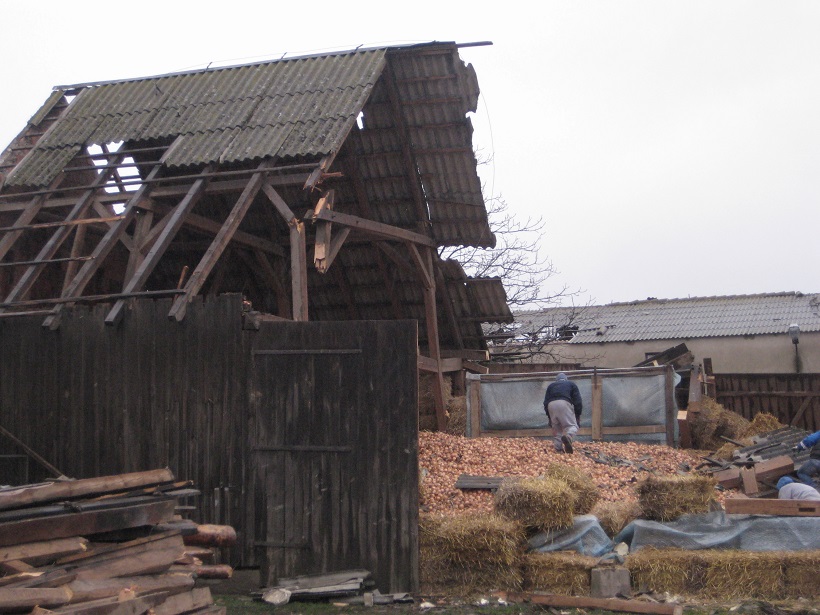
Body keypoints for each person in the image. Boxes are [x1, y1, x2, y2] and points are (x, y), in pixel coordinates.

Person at [543, 372, 583, 454]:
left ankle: (558, 450)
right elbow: (578, 401)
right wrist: (577, 415)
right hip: (563, 402)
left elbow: (545, 402)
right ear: (566, 379)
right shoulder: (571, 384)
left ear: (556, 380)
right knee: (572, 426)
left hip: (551, 405)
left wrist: (549, 417)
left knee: (557, 428)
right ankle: (569, 436)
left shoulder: (551, 386)